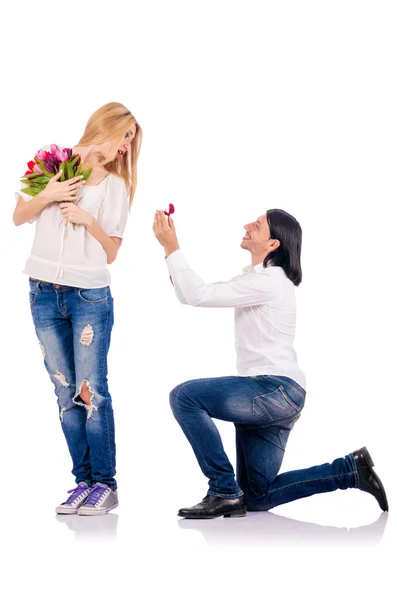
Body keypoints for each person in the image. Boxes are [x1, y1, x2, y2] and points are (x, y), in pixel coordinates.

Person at [153, 208, 388, 519]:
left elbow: (197, 295)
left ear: (273, 244)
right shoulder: (254, 279)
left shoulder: (269, 281)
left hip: (273, 389)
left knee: (185, 397)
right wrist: (170, 251)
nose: (247, 225)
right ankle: (350, 471)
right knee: (256, 497)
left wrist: (171, 246)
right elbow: (190, 294)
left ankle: (222, 490)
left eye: (257, 224)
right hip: (277, 395)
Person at [14, 102, 142, 516]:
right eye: (124, 136)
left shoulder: (115, 187)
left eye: (131, 142)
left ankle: (105, 484)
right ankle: (82, 482)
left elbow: (112, 252)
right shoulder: (51, 162)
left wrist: (89, 220)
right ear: (105, 127)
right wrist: (49, 193)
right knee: (64, 393)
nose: (126, 147)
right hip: (43, 293)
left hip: (88, 296)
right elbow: (19, 216)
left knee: (93, 393)